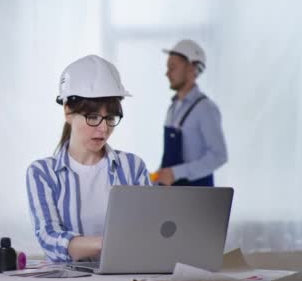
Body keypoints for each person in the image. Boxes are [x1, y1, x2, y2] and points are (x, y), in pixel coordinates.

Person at [26, 55, 151, 262]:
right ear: (68, 111)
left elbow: (150, 229)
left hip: (126, 280)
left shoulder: (133, 167)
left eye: (110, 118)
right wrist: (109, 244)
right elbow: (50, 239)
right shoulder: (42, 173)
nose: (104, 129)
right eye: (93, 117)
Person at [154, 39, 227, 186]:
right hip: (173, 196)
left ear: (191, 68)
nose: (167, 73)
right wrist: (157, 179)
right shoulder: (172, 108)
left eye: (172, 67)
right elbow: (169, 160)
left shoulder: (206, 109)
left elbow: (219, 156)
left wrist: (177, 173)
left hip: (198, 198)